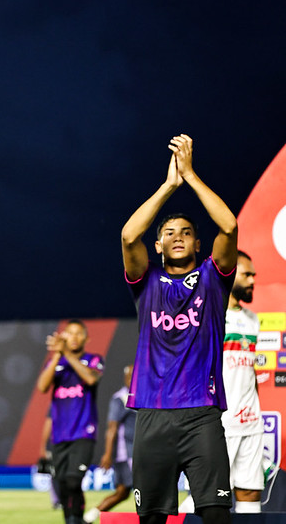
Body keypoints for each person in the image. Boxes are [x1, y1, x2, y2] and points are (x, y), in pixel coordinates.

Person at [120, 134, 236, 524]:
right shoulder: (145, 281)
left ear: (198, 243)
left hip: (201, 415)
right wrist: (169, 184)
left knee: (217, 514)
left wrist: (190, 175)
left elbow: (230, 225)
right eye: (169, 233)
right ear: (158, 247)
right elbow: (128, 235)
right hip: (152, 415)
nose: (178, 237)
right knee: (152, 518)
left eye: (186, 232)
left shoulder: (213, 280)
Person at [36, 320, 104, 524]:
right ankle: (72, 521)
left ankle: (77, 519)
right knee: (63, 483)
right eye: (69, 334)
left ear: (86, 338)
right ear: (63, 336)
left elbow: (91, 379)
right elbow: (42, 386)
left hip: (84, 432)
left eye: (78, 334)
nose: (74, 338)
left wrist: (66, 354)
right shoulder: (57, 362)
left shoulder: (93, 359)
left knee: (74, 481)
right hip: (60, 434)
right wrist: (57, 354)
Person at [221, 251, 263, 513]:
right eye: (246, 274)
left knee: (249, 492)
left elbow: (252, 374)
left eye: (253, 275)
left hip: (252, 423)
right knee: (212, 497)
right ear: (229, 274)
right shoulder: (211, 317)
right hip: (221, 424)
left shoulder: (252, 319)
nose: (252, 280)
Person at [84, 365, 136, 523]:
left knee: (122, 492)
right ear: (125, 378)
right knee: (143, 490)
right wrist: (108, 454)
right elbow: (112, 427)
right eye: (131, 376)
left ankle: (88, 517)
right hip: (127, 454)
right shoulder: (120, 398)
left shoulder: (143, 396)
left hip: (137, 452)